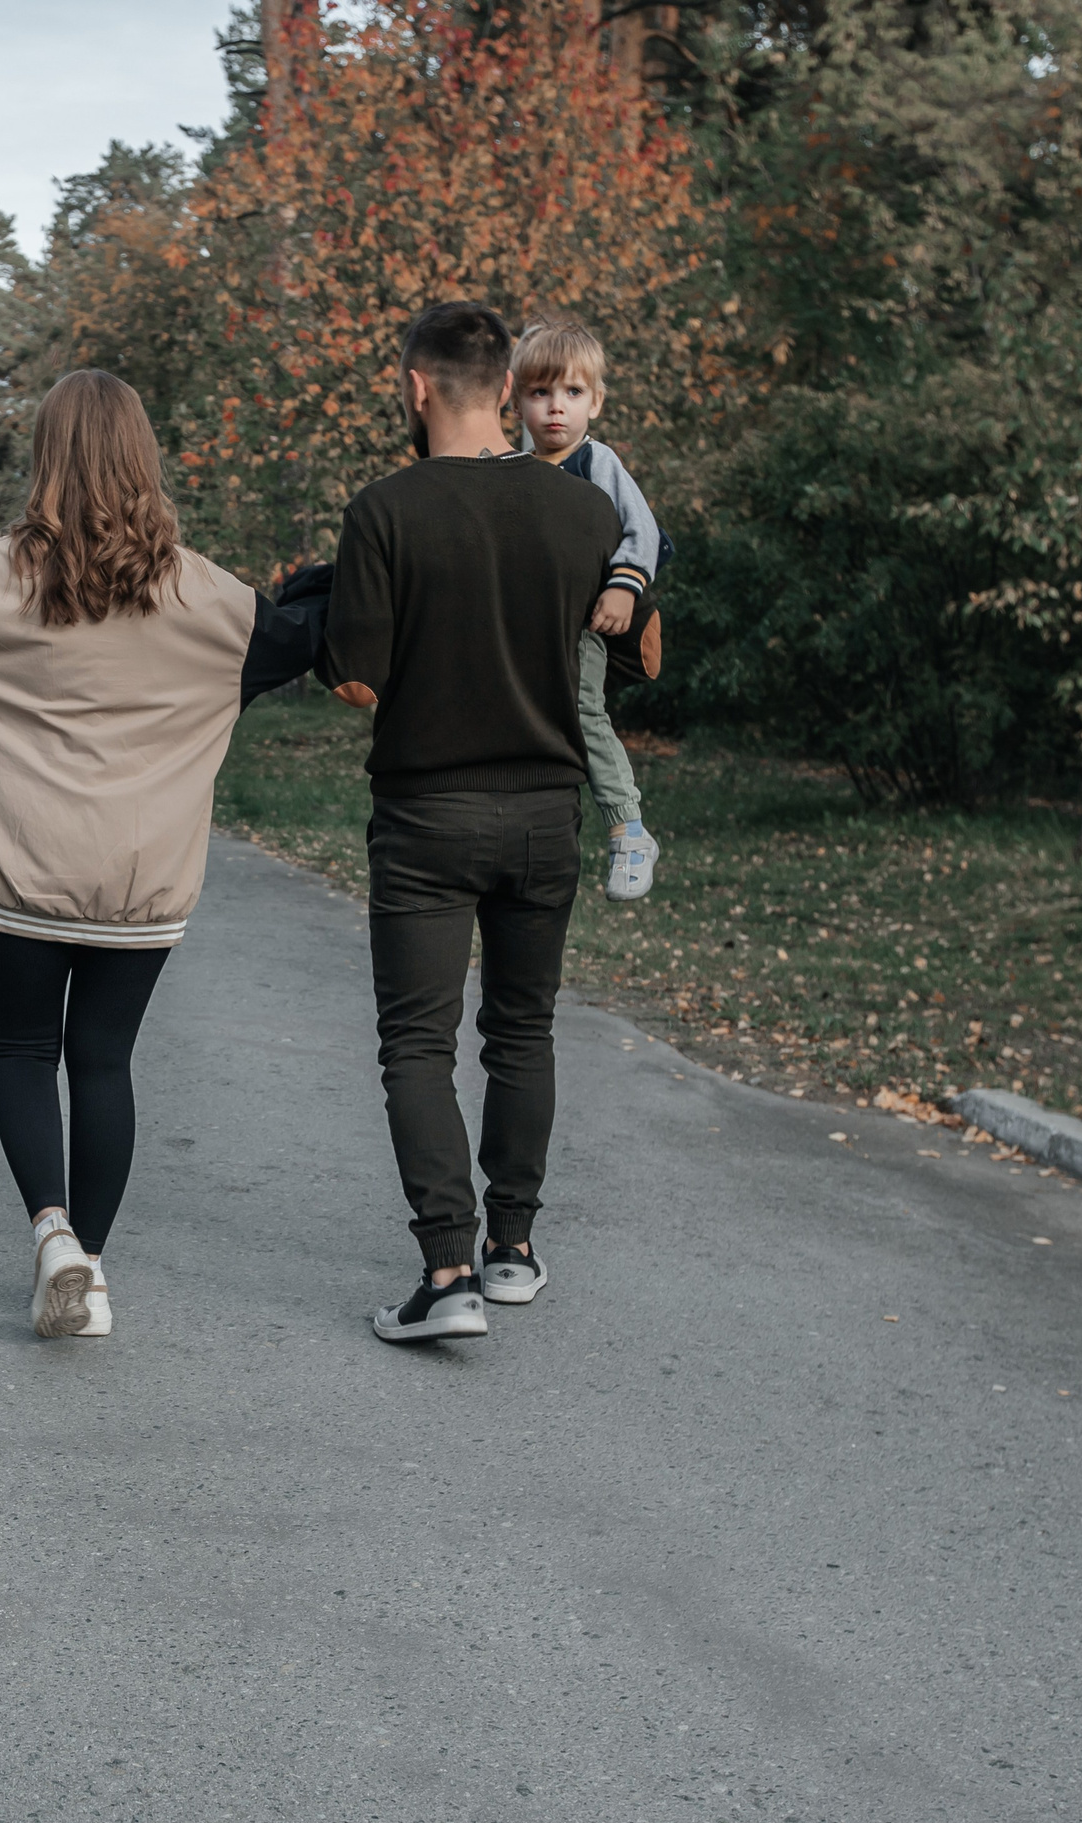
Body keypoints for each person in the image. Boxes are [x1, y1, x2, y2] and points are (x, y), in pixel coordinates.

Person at [0, 368, 324, 1340]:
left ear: (45, 456)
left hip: (24, 867)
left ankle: (52, 1235)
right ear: (142, 458)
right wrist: (332, 574)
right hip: (141, 879)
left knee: (26, 1052)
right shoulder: (208, 596)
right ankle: (94, 1269)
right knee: (105, 1062)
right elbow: (302, 633)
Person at [320, 302, 622, 1344]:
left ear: (416, 387)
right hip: (545, 815)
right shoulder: (586, 513)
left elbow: (356, 676)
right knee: (523, 1030)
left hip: (426, 816)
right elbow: (620, 653)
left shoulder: (383, 511)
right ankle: (514, 1250)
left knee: (418, 1042)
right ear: (507, 388)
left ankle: (446, 1271)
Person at [512, 316, 669, 902]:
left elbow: (642, 530)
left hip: (582, 623)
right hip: (525, 628)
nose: (557, 407)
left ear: (596, 402)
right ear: (515, 400)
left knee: (583, 712)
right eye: (540, 391)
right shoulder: (508, 467)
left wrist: (623, 587)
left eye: (573, 392)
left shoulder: (593, 462)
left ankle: (629, 829)